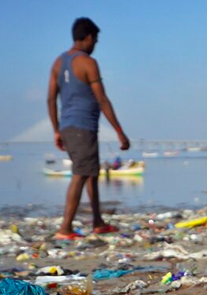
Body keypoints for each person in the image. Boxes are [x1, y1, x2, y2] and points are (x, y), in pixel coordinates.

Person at [48, 17, 130, 240]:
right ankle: (65, 228)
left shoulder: (58, 62)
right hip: (82, 127)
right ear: (88, 38)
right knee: (81, 174)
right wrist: (119, 131)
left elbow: (50, 99)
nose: (95, 45)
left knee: (91, 174)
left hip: (68, 126)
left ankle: (97, 221)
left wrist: (56, 129)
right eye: (95, 40)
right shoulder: (87, 63)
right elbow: (102, 99)